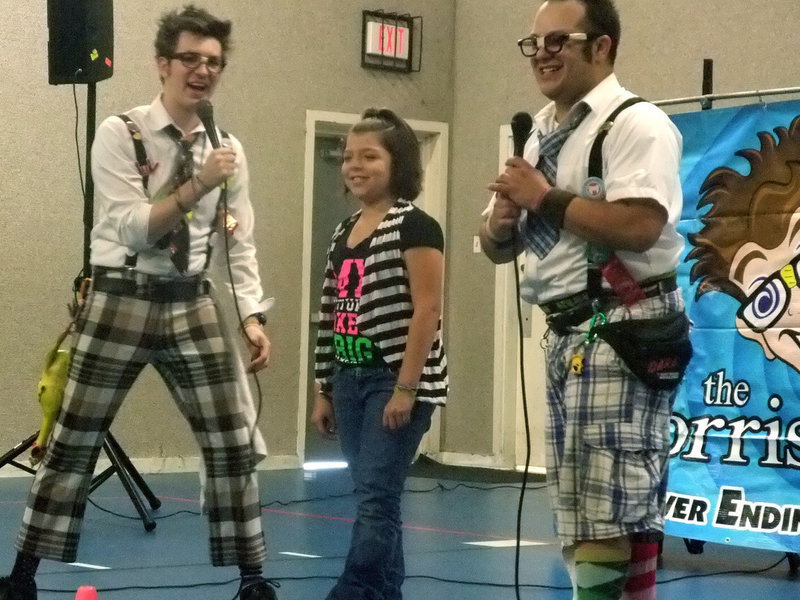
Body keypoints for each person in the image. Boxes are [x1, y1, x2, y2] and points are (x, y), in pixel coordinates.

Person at [0, 6, 278, 600]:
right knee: (74, 437)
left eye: (213, 63)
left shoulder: (228, 148)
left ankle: (252, 578)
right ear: (162, 64)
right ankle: (22, 577)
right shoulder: (120, 133)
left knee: (234, 437)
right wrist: (198, 183)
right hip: (120, 295)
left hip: (191, 300)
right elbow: (133, 228)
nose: (201, 71)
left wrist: (252, 314)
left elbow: (239, 238)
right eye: (189, 59)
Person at [480, 1, 684, 599]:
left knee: (607, 505)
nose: (541, 53)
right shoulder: (541, 131)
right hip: (567, 332)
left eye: (557, 40)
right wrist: (499, 223)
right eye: (534, 42)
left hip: (622, 323)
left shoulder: (635, 124)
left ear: (602, 47)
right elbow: (497, 246)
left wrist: (543, 198)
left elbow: (641, 226)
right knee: (585, 505)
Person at [311, 107, 448, 600]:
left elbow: (427, 311)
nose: (355, 165)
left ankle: (353, 591)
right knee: (374, 498)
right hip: (349, 379)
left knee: (375, 498)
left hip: (394, 381)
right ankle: (386, 592)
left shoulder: (417, 226)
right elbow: (332, 311)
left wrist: (405, 389)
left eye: (370, 155)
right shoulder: (341, 231)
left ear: (398, 164)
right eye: (349, 156)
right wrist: (324, 387)